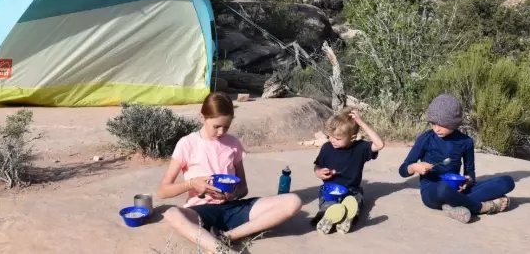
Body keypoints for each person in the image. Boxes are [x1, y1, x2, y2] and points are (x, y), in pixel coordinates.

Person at [158, 92, 301, 254]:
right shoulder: (187, 144)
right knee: (171, 214)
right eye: (216, 126)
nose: (221, 132)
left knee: (293, 201)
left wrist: (231, 195)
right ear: (202, 117)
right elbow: (163, 191)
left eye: (226, 127)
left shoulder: (233, 143)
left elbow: (243, 188)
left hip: (231, 208)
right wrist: (192, 183)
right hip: (201, 210)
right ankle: (224, 251)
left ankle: (226, 237)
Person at [399, 93, 514, 224]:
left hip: (458, 191)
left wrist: (468, 181)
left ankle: (455, 206)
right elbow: (403, 170)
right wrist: (414, 167)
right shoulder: (426, 138)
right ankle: (483, 207)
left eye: (442, 124)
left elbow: (470, 172)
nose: (436, 128)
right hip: (432, 192)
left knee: (507, 182)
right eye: (433, 123)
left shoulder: (466, 142)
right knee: (443, 189)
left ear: (454, 123)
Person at [312, 107, 385, 235]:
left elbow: (379, 144)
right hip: (330, 190)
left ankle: (347, 218)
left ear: (352, 137)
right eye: (330, 136)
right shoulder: (327, 148)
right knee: (328, 204)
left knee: (354, 202)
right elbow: (317, 166)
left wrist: (361, 123)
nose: (332, 140)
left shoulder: (360, 148)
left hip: (352, 190)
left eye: (338, 138)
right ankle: (327, 216)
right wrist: (318, 172)